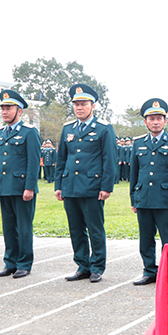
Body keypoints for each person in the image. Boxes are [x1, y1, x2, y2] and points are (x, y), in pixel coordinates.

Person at [55, 84, 117, 283]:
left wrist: (106, 187)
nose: (79, 108)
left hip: (92, 187)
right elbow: (62, 159)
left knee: (95, 228)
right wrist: (59, 185)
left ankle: (97, 266)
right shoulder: (68, 128)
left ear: (93, 106)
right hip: (70, 186)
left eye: (83, 104)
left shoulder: (103, 128)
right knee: (75, 229)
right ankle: (83, 266)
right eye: (76, 104)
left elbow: (109, 159)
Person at [129, 98, 168, 285]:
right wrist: (133, 199)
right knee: (145, 238)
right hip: (143, 198)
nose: (155, 122)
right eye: (151, 118)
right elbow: (134, 173)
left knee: (167, 239)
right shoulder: (138, 143)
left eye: (159, 118)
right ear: (145, 122)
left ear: (165, 121)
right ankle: (149, 270)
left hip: (165, 200)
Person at [0, 90, 41, 279]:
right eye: (3, 108)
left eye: (8, 108)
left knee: (23, 227)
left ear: (19, 111)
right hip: (5, 187)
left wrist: (29, 187)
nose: (4, 112)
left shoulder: (29, 132)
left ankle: (24, 264)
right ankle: (10, 263)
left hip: (22, 188)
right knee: (8, 227)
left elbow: (33, 162)